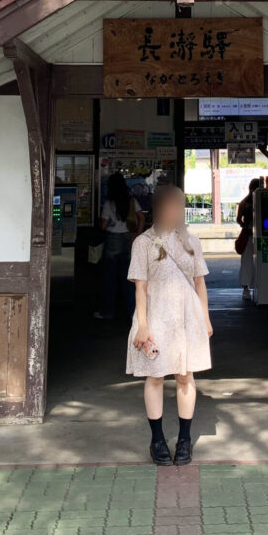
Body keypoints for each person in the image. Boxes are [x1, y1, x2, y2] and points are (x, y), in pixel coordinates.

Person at [126, 184, 213, 466]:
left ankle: (185, 439)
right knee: (155, 377)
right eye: (169, 206)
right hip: (156, 316)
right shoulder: (143, 243)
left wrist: (206, 319)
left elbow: (200, 283)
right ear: (158, 209)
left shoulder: (192, 241)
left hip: (188, 318)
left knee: (185, 376)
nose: (174, 211)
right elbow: (140, 288)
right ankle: (157, 439)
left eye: (178, 206)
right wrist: (142, 325)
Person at [94, 172, 145, 320]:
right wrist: (137, 234)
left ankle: (107, 312)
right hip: (129, 239)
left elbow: (103, 225)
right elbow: (141, 217)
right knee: (128, 279)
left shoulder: (109, 203)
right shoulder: (131, 201)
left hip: (113, 240)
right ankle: (132, 313)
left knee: (109, 279)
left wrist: (102, 223)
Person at [236, 178, 259, 300]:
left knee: (246, 262)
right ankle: (253, 287)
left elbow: (238, 219)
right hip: (257, 235)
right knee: (258, 261)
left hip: (248, 234)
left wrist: (244, 225)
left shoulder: (244, 202)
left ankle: (246, 289)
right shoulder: (248, 202)